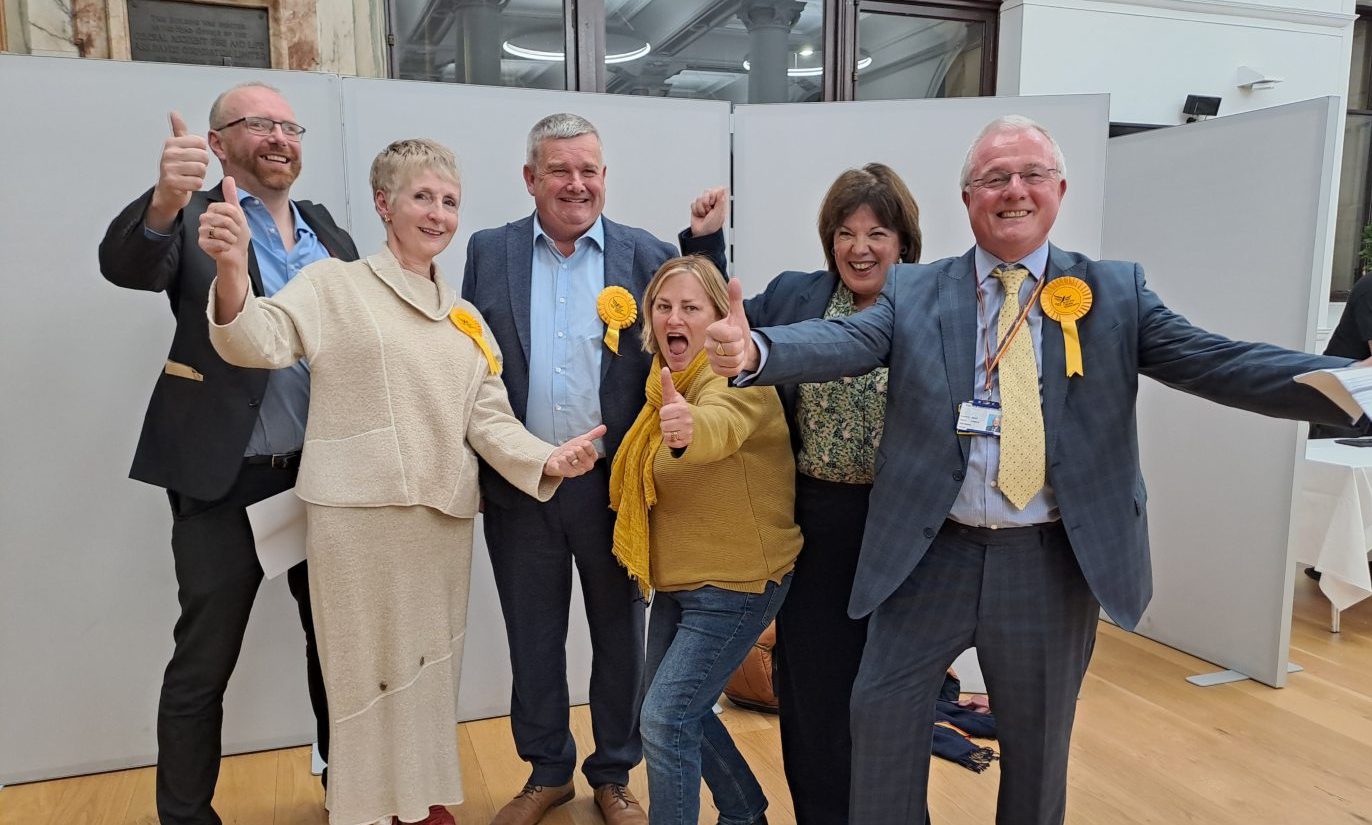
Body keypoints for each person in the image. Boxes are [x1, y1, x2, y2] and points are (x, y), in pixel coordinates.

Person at [704, 115, 1361, 825]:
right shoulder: (917, 292)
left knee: (1037, 749)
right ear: (968, 198)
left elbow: (1219, 360)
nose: (1012, 190)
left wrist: (1354, 388)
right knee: (880, 717)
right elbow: (846, 339)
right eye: (993, 178)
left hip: (1048, 560)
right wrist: (758, 352)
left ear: (1059, 189)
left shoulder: (1113, 292)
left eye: (1030, 175)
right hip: (933, 553)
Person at [200, 138, 605, 825]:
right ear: (385, 205)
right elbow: (256, 341)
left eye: (449, 201)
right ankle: (362, 808)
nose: (438, 213)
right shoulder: (335, 285)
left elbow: (489, 420)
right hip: (354, 514)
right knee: (362, 672)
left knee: (427, 670)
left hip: (439, 518)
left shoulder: (466, 319)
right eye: (422, 196)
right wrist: (234, 271)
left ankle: (419, 802)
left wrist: (546, 459)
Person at [97, 81, 357, 825]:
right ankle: (184, 815)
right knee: (201, 664)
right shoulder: (192, 219)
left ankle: (352, 787)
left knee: (336, 650)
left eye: (289, 125)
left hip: (322, 477)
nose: (280, 137)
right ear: (217, 145)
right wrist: (162, 202)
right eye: (258, 124)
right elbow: (127, 265)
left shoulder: (328, 231)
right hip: (222, 480)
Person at [460, 113, 728, 825]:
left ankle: (614, 771)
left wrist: (706, 243)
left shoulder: (642, 253)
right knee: (532, 633)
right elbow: (466, 367)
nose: (576, 183)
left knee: (620, 635)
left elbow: (700, 322)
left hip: (616, 487)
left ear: (604, 177)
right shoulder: (490, 252)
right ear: (531, 179)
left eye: (590, 170)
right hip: (523, 482)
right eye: (560, 170)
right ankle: (546, 769)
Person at [738, 162, 922, 825]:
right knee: (813, 698)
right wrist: (702, 244)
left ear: (903, 240)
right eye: (845, 231)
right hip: (814, 523)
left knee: (893, 702)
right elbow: (729, 330)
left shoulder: (932, 308)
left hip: (901, 532)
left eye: (877, 231)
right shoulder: (796, 295)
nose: (860, 246)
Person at [609, 255, 801, 825]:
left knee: (666, 720)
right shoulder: (660, 385)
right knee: (668, 709)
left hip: (737, 582)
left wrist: (687, 433)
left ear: (718, 317)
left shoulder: (736, 377)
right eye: (664, 306)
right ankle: (745, 812)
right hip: (681, 579)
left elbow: (720, 424)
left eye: (691, 308)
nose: (675, 318)